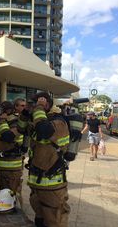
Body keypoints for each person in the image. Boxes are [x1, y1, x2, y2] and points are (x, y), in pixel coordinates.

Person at [18, 92, 71, 227]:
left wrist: (39, 107)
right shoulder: (38, 121)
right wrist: (25, 112)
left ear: (46, 104)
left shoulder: (58, 122)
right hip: (37, 183)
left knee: (55, 220)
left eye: (36, 104)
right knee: (40, 216)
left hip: (53, 186)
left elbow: (44, 131)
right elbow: (21, 129)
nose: (34, 107)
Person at [0, 101, 26, 205]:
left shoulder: (16, 122)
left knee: (13, 194)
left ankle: (18, 214)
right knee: (4, 193)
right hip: (2, 166)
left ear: (9, 110)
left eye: (2, 110)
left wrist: (2, 121)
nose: (0, 112)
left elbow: (8, 137)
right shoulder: (1, 122)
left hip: (13, 167)